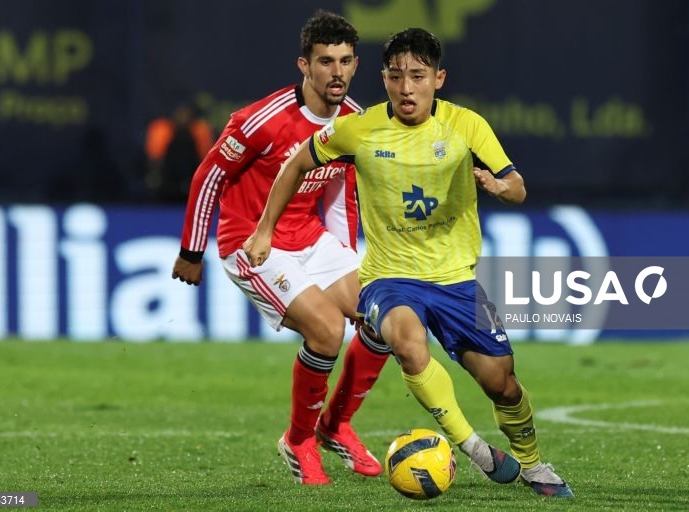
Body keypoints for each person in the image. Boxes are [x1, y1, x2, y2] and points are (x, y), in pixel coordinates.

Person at [244, 28, 574, 498]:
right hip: (389, 278)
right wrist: (264, 230)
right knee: (405, 339)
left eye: (417, 76)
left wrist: (505, 189)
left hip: (457, 280)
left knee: (503, 385)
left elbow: (516, 183)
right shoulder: (358, 128)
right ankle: (474, 447)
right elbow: (296, 164)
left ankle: (534, 464)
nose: (406, 87)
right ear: (382, 79)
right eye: (395, 76)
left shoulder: (467, 125)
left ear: (438, 78)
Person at [171, 10, 390, 485]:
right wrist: (192, 251)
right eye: (326, 61)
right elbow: (210, 176)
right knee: (329, 330)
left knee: (387, 317)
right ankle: (298, 440)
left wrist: (348, 260)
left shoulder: (354, 120)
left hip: (310, 238)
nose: (337, 71)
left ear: (356, 65)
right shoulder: (262, 121)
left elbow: (339, 192)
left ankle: (336, 426)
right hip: (252, 244)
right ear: (304, 66)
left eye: (346, 61)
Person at [145, 103, 214, 203]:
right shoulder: (162, 129)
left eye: (186, 113)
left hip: (193, 179)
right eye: (180, 113)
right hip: (166, 180)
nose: (183, 117)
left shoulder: (200, 130)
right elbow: (155, 159)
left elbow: (206, 161)